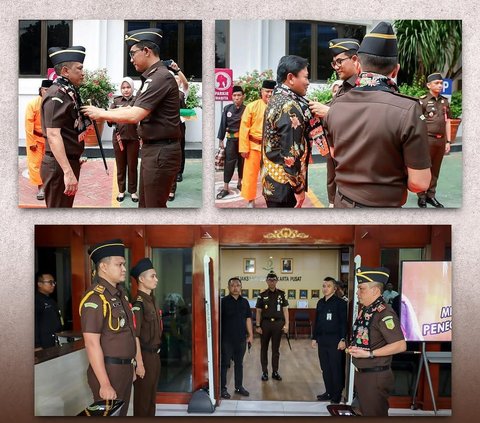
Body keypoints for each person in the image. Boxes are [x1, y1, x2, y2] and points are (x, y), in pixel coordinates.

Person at [324, 22, 432, 208]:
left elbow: (334, 154)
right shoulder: (408, 109)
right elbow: (419, 183)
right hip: (383, 212)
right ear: (395, 70)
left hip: (343, 203)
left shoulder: (336, 105)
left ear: (358, 63)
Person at [82, 28, 182, 208]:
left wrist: (101, 113)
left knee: (154, 208)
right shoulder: (153, 78)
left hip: (161, 150)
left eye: (133, 53)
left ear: (146, 51)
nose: (131, 59)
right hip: (154, 150)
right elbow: (131, 108)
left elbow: (136, 114)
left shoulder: (160, 77)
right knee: (146, 205)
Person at [79, 239, 137, 417]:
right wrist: (104, 383)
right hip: (109, 371)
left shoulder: (120, 295)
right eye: (119, 264)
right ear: (103, 267)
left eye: (124, 264)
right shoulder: (95, 299)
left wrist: (131, 366)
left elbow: (126, 334)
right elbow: (91, 343)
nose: (124, 269)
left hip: (124, 370)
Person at [347, 266, 406, 416]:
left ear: (375, 291)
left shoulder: (384, 313)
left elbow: (400, 345)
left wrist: (370, 354)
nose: (357, 292)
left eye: (361, 289)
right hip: (364, 375)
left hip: (375, 377)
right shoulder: (367, 309)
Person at [310, 38, 360, 207]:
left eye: (340, 61)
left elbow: (362, 119)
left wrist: (329, 112)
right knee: (332, 181)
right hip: (335, 148)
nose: (336, 66)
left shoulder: (363, 87)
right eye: (334, 63)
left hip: (352, 154)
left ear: (354, 59)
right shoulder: (343, 87)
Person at [40, 46, 88, 208]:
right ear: (66, 71)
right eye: (79, 68)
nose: (83, 72)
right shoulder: (57, 95)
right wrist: (67, 171)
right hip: (59, 166)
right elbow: (53, 135)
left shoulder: (69, 92)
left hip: (67, 161)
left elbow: (68, 130)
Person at [262, 55, 312, 208]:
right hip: (285, 187)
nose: (308, 82)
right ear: (291, 78)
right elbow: (290, 154)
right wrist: (298, 189)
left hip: (272, 183)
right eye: (306, 77)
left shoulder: (276, 99)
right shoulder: (289, 106)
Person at [130, 258, 162, 416]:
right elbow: (134, 336)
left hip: (155, 356)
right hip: (144, 356)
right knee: (142, 401)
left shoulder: (153, 301)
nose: (156, 279)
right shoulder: (138, 304)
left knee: (151, 399)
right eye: (152, 276)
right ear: (141, 279)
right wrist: (139, 363)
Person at [239, 79, 276, 207]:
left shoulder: (278, 107)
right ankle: (250, 200)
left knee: (271, 176)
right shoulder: (252, 106)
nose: (269, 94)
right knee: (250, 175)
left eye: (272, 91)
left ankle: (272, 200)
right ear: (261, 91)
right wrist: (243, 148)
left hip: (272, 148)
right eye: (267, 91)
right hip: (253, 146)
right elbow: (244, 128)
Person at [417, 72, 452, 208]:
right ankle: (421, 196)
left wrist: (448, 141)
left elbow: (448, 121)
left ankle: (431, 195)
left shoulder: (444, 101)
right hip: (427, 140)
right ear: (428, 85)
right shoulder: (423, 100)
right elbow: (418, 118)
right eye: (437, 83)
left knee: (435, 170)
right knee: (424, 168)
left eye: (441, 83)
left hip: (440, 141)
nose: (440, 85)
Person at [311, 276, 347, 404]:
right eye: (324, 286)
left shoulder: (340, 303)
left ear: (334, 288)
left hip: (335, 340)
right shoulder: (320, 302)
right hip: (323, 339)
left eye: (328, 286)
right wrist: (314, 338)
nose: (325, 288)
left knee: (335, 367)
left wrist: (343, 339)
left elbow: (343, 323)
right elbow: (317, 322)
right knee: (325, 367)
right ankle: (328, 391)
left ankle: (337, 394)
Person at [107, 77, 140, 203]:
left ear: (132, 88)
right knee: (120, 165)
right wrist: (109, 117)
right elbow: (110, 118)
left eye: (128, 87)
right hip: (118, 138)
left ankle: (133, 191)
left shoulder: (137, 101)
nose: (126, 90)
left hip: (133, 138)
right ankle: (121, 190)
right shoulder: (116, 101)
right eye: (123, 87)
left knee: (132, 165)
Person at [220, 277, 253, 399]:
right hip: (226, 340)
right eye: (232, 285)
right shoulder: (223, 302)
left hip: (241, 340)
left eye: (238, 285)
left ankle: (239, 386)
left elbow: (248, 319)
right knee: (224, 364)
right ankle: (222, 388)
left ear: (241, 287)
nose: (235, 287)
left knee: (239, 364)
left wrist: (251, 335)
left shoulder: (245, 302)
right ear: (228, 287)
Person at [255, 271, 289, 381]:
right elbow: (258, 311)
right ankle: (265, 372)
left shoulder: (281, 294)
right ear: (266, 281)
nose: (272, 282)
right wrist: (258, 325)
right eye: (270, 280)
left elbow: (285, 310)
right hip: (265, 324)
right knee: (263, 349)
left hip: (278, 324)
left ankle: (275, 371)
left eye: (274, 279)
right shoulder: (262, 295)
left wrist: (287, 324)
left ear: (277, 281)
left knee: (276, 349)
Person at [216, 86, 246, 200]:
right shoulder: (227, 109)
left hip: (243, 141)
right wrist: (221, 140)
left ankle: (240, 182)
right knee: (229, 163)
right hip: (231, 141)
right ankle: (225, 187)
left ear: (243, 96)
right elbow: (223, 124)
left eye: (239, 95)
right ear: (232, 97)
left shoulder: (247, 109)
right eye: (234, 95)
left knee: (242, 162)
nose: (237, 98)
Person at [25, 79, 53, 201]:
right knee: (36, 164)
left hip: (51, 139)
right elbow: (28, 124)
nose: (48, 92)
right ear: (41, 90)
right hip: (36, 139)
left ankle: (50, 186)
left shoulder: (55, 104)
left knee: (50, 164)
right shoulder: (33, 104)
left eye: (50, 90)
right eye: (46, 90)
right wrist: (31, 142)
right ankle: (41, 188)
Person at [169, 64, 190, 201]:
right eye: (173, 78)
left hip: (180, 126)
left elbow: (186, 84)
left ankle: (179, 172)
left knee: (180, 149)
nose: (175, 80)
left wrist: (177, 71)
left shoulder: (182, 93)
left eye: (177, 79)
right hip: (168, 127)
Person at [35, 272, 63, 350]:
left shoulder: (51, 301)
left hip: (55, 342)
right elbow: (34, 325)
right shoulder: (36, 301)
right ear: (40, 284)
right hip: (43, 345)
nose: (53, 285)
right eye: (50, 282)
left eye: (54, 282)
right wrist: (36, 345)